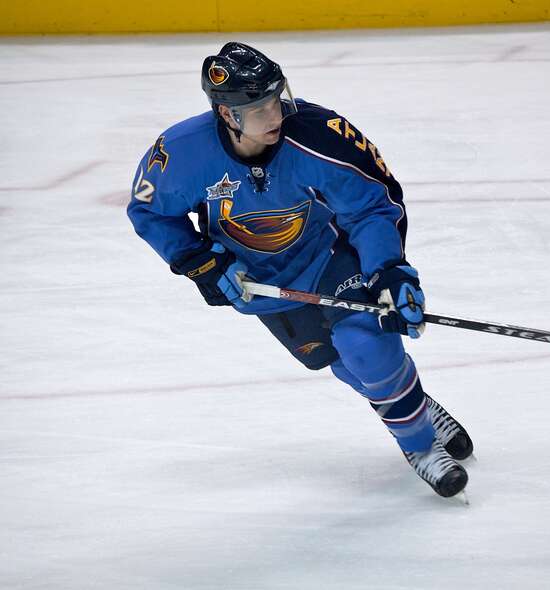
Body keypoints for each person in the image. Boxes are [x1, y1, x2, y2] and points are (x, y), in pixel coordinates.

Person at [127, 42, 473, 498]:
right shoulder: (181, 154)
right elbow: (149, 211)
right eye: (258, 108)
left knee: (366, 346)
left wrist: (389, 269)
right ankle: (415, 407)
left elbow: (371, 206)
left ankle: (422, 447)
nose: (274, 116)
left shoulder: (319, 134)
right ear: (228, 114)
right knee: (340, 361)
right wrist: (201, 263)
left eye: (276, 99)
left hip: (331, 255)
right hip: (262, 284)